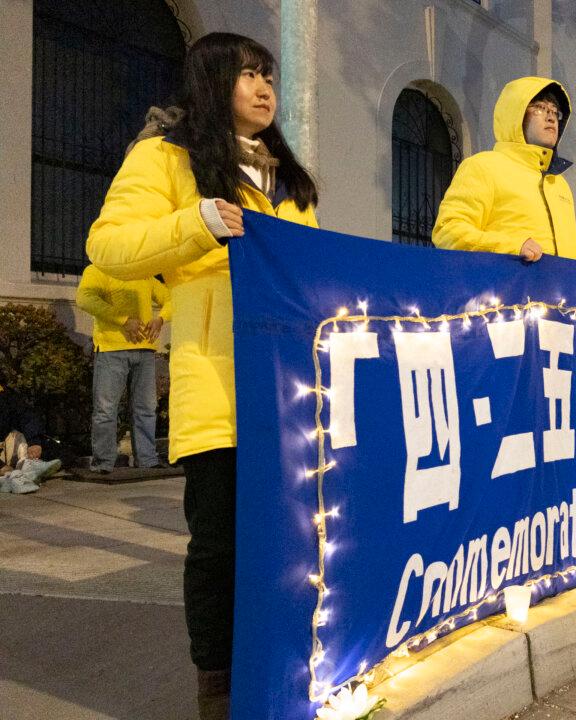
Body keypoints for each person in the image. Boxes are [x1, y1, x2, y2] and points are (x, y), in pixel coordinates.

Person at [85, 33, 319, 720]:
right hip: (216, 389)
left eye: (268, 74)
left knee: (294, 541)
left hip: (290, 393)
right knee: (219, 548)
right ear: (212, 83)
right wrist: (197, 224)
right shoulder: (165, 158)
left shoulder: (287, 178)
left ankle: (281, 673)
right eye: (247, 73)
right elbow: (108, 246)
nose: (264, 87)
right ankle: (217, 694)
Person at [433, 77, 576, 273]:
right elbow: (448, 231)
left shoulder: (558, 184)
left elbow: (559, 250)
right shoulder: (483, 166)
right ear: (515, 115)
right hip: (504, 296)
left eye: (554, 112)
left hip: (553, 298)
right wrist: (513, 247)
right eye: (540, 108)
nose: (551, 118)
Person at [76, 266, 172, 473]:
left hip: (144, 349)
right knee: (106, 409)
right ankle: (103, 462)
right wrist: (123, 320)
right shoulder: (98, 270)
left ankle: (146, 459)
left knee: (146, 408)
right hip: (112, 348)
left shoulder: (142, 272)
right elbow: (84, 298)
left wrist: (161, 318)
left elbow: (172, 297)